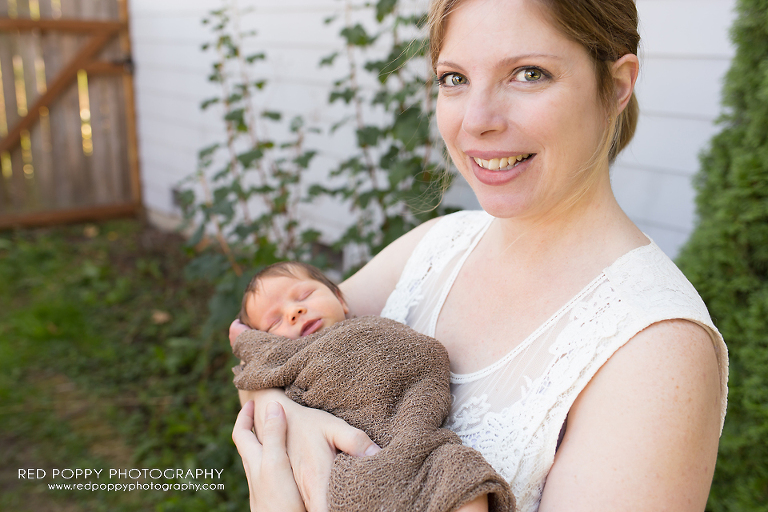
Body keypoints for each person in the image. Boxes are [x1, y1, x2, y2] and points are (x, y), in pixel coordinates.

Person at [231, 0, 729, 511]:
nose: (477, 121)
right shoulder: (434, 247)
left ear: (618, 85)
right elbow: (258, 344)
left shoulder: (656, 350)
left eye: (528, 73)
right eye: (454, 79)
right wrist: (286, 413)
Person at [231, 261, 513, 512]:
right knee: (347, 489)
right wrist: (245, 341)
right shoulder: (286, 357)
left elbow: (419, 355)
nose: (294, 311)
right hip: (355, 454)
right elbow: (255, 366)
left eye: (304, 295)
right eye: (274, 322)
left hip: (411, 430)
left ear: (340, 299)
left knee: (459, 468)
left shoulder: (369, 325)